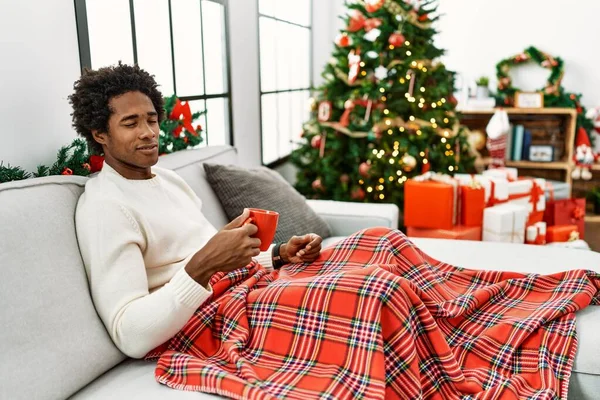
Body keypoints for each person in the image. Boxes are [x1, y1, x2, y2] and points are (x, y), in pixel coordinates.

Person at [72, 63, 323, 358]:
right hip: (209, 321)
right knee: (373, 290)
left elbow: (210, 257)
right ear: (100, 133)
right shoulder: (106, 207)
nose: (149, 133)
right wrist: (204, 263)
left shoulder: (168, 179)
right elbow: (130, 335)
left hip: (248, 287)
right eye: (131, 124)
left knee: (382, 241)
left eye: (152, 120)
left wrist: (279, 254)